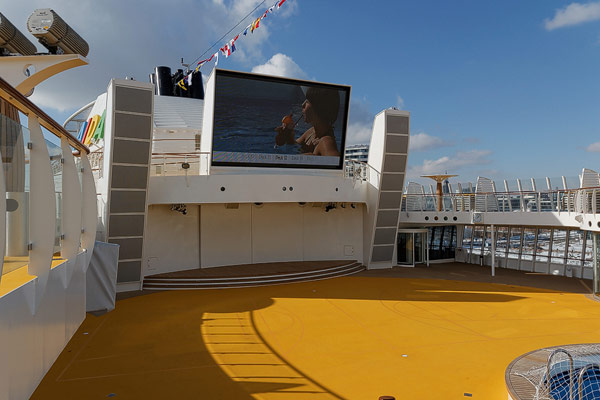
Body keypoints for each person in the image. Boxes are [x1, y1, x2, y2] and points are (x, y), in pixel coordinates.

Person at [296, 87, 340, 156]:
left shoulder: (326, 142)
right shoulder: (311, 131)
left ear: (318, 107)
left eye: (307, 101)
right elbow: (293, 146)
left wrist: (310, 157)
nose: (303, 105)